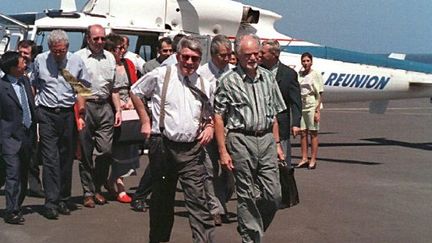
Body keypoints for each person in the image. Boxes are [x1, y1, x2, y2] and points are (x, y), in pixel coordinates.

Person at [130, 36, 215, 243]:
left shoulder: (205, 83)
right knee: (161, 200)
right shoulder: (161, 75)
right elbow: (135, 92)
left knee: (198, 201)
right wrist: (145, 121)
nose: (189, 62)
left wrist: (210, 126)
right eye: (185, 57)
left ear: (200, 60)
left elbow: (209, 112)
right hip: (163, 146)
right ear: (178, 56)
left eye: (194, 59)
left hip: (192, 150)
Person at [213, 34, 286, 243]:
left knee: (274, 195)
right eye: (248, 55)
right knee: (246, 193)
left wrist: (278, 144)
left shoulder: (268, 78)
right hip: (240, 139)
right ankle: (250, 238)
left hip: (266, 139)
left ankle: (250, 226)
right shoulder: (227, 81)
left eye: (256, 54)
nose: (253, 58)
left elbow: (273, 116)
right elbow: (218, 117)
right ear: (237, 56)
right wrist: (222, 151)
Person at [31, 29, 89, 219]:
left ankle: (64, 198)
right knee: (50, 158)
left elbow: (82, 88)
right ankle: (51, 201)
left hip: (67, 114)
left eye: (61, 51)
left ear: (67, 48)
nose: (58, 54)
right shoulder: (40, 60)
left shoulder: (76, 61)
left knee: (66, 157)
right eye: (55, 51)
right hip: (46, 113)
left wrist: (80, 112)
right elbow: (34, 83)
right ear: (49, 48)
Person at [75, 24, 122, 208]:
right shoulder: (77, 58)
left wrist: (118, 110)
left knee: (105, 151)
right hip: (85, 105)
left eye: (103, 38)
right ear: (88, 39)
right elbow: (73, 84)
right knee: (86, 152)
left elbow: (115, 88)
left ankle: (97, 187)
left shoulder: (110, 57)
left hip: (105, 107)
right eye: (96, 39)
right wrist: (80, 110)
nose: (100, 42)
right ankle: (88, 192)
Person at [130, 37, 173, 212]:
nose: (169, 54)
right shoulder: (155, 69)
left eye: (171, 51)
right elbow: (137, 91)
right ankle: (140, 195)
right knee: (157, 164)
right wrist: (145, 120)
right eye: (165, 51)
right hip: (159, 122)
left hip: (177, 126)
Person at [197, 34, 235, 225]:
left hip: (230, 127)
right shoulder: (202, 74)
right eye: (223, 55)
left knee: (230, 171)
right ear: (213, 54)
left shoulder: (234, 73)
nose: (227, 59)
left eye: (229, 55)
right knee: (210, 169)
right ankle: (216, 208)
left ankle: (222, 199)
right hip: (209, 126)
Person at [0, 51, 36, 224]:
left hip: (27, 135)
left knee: (22, 174)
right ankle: (11, 210)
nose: (25, 63)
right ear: (13, 67)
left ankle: (17, 205)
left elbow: (30, 106)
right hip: (9, 137)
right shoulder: (2, 87)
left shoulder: (25, 81)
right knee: (12, 174)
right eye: (22, 61)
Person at [104, 33, 139, 203]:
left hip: (128, 107)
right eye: (119, 48)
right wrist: (119, 106)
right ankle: (118, 185)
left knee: (127, 145)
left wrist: (131, 102)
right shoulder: (107, 66)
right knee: (114, 148)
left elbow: (134, 85)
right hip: (112, 107)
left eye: (124, 48)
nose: (123, 51)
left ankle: (115, 181)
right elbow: (112, 89)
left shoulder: (128, 64)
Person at [260, 39, 302, 169]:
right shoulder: (257, 71)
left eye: (263, 53)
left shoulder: (289, 74)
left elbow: (295, 102)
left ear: (275, 55)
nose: (259, 55)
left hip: (282, 126)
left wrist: (295, 123)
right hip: (262, 126)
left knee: (282, 164)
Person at [18, 40, 45, 198]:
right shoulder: (8, 69)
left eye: (26, 54)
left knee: (32, 152)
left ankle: (34, 186)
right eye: (20, 52)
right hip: (14, 115)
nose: (22, 56)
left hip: (33, 113)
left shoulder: (37, 69)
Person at [297, 52, 324, 170]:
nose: (305, 63)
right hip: (301, 104)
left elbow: (320, 93)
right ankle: (304, 157)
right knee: (302, 132)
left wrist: (317, 111)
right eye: (304, 61)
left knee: (313, 132)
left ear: (311, 62)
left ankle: (313, 158)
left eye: (308, 61)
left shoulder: (316, 74)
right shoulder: (299, 74)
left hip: (312, 103)